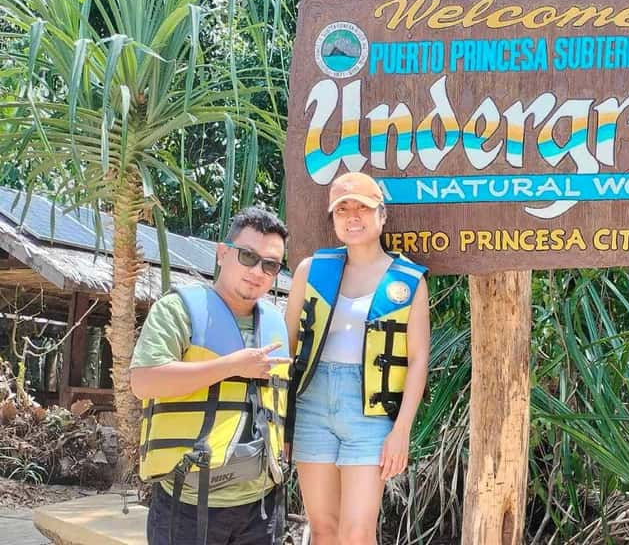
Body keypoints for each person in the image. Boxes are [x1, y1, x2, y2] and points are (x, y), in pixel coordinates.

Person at [131, 207, 291, 545]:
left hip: (261, 504)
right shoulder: (179, 309)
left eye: (270, 264)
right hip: (188, 501)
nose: (257, 271)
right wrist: (231, 366)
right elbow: (144, 380)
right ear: (222, 253)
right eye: (247, 256)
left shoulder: (276, 324)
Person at [285, 172, 430, 545]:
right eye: (342, 209)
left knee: (358, 531)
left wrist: (401, 431)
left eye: (362, 208)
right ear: (332, 219)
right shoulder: (311, 270)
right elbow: (287, 348)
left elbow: (417, 360)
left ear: (381, 216)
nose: (352, 217)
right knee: (323, 528)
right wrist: (282, 421)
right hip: (312, 402)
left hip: (371, 409)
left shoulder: (408, 279)